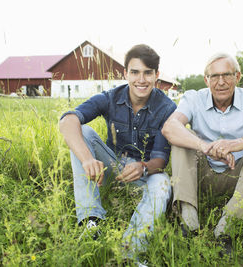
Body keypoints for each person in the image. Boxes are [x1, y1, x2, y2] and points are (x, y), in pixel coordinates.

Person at [161, 52, 243, 252]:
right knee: (181, 137)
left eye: (227, 75)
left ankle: (229, 224)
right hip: (202, 175)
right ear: (206, 80)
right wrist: (205, 147)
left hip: (239, 175)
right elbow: (169, 127)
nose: (221, 82)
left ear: (237, 77)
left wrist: (239, 143)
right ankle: (189, 216)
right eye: (214, 76)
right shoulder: (193, 98)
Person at [59, 44, 176, 258]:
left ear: (156, 75)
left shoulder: (167, 108)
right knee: (83, 130)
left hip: (144, 174)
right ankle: (91, 222)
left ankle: (130, 250)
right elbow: (68, 120)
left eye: (148, 73)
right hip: (111, 167)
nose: (141, 80)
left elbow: (160, 158)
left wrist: (143, 167)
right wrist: (87, 159)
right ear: (125, 74)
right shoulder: (111, 97)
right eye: (135, 72)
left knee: (163, 182)